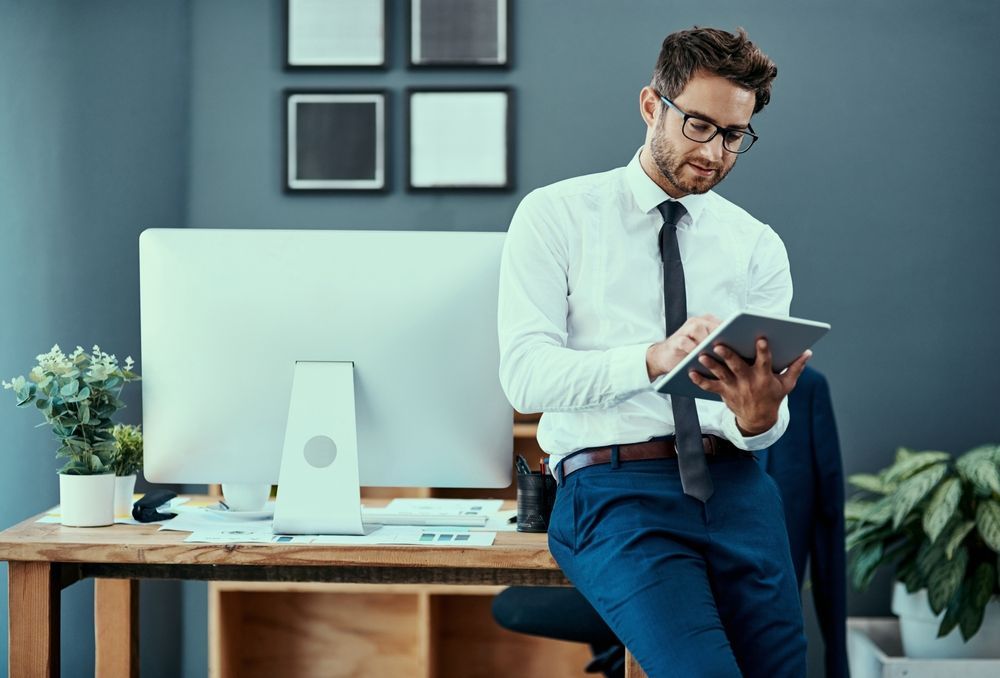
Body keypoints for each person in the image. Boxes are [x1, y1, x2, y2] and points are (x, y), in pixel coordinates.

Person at [498, 27, 810, 677]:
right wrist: (650, 359)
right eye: (698, 125)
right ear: (651, 106)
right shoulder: (556, 216)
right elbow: (525, 377)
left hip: (737, 488)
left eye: (734, 135)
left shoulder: (756, 245)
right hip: (612, 487)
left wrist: (758, 417)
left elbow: (757, 423)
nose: (715, 152)